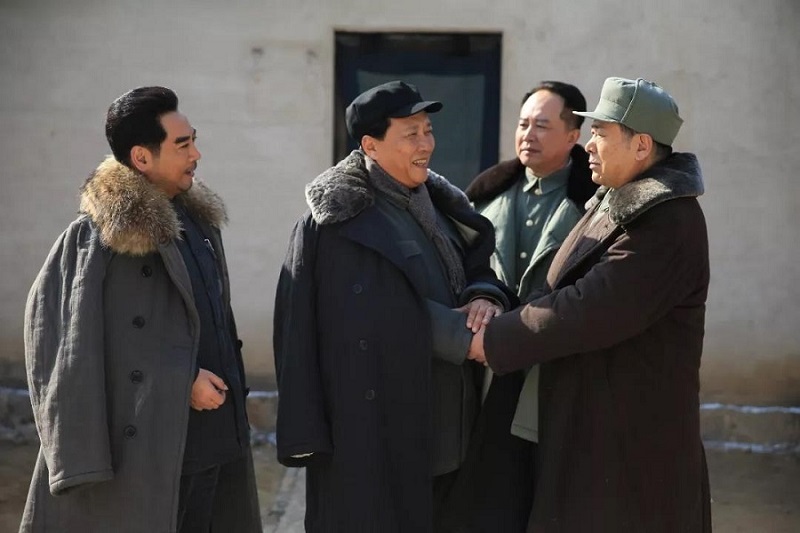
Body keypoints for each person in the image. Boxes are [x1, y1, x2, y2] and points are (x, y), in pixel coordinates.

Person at [469, 77, 712, 532]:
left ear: (641, 145)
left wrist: (494, 339)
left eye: (600, 133)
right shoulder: (613, 199)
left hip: (631, 448)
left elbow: (588, 308)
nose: (589, 146)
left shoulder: (667, 221)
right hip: (594, 430)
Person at [272, 80, 516, 532]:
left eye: (428, 130)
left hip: (451, 439)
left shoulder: (441, 206)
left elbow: (477, 267)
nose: (426, 144)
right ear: (370, 145)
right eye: (411, 134)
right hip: (376, 438)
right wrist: (467, 339)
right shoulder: (335, 226)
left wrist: (484, 297)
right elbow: (358, 316)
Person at [21, 87, 262, 533]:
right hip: (152, 454)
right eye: (182, 145)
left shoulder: (198, 223)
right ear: (142, 157)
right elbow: (65, 347)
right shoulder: (95, 240)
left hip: (215, 442)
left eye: (194, 140)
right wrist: (181, 379)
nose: (197, 154)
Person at [463, 82, 597, 509]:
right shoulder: (484, 196)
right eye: (523, 124)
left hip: (553, 372)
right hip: (484, 368)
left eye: (542, 125)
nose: (528, 135)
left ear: (573, 135)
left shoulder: (594, 204)